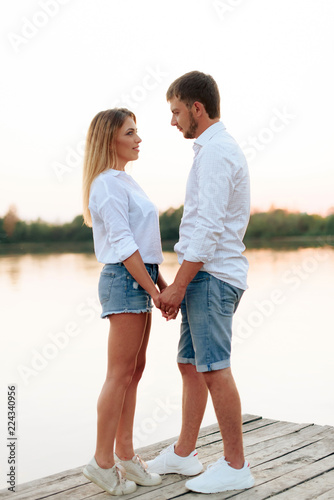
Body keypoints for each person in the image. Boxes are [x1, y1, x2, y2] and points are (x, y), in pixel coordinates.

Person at [146, 71, 255, 494]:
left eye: (176, 112)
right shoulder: (210, 150)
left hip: (212, 278)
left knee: (214, 369)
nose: (173, 121)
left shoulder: (216, 153)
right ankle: (185, 453)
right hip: (202, 277)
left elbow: (208, 229)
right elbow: (200, 229)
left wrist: (176, 286)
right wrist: (180, 283)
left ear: (197, 108)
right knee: (190, 364)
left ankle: (236, 465)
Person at [82, 108, 167, 496]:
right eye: (130, 132)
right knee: (119, 373)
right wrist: (154, 290)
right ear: (109, 140)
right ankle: (102, 462)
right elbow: (123, 245)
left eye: (137, 131)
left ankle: (126, 454)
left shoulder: (126, 181)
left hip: (140, 277)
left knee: (134, 370)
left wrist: (161, 282)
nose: (138, 138)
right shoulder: (105, 185)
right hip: (124, 280)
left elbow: (145, 244)